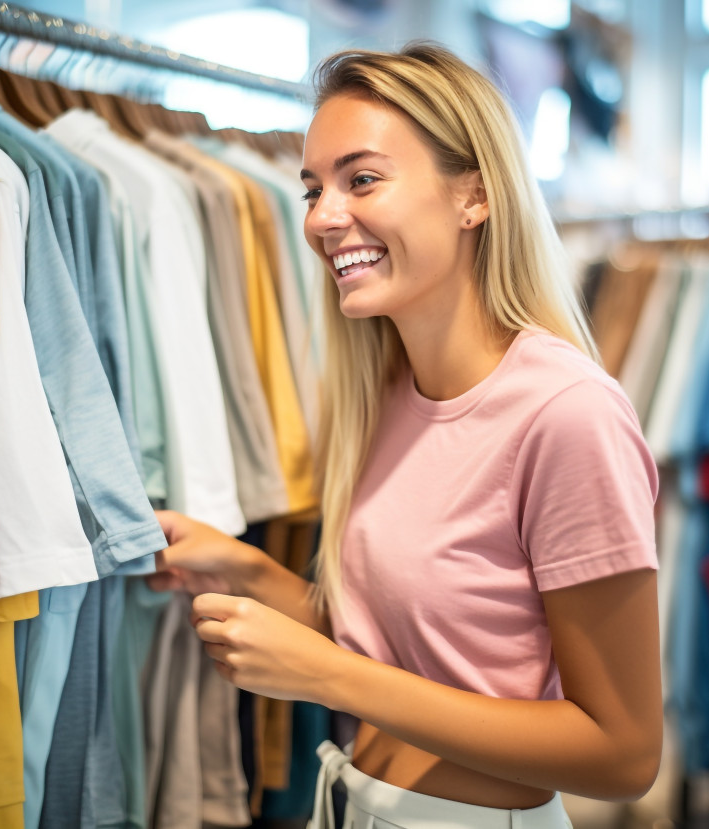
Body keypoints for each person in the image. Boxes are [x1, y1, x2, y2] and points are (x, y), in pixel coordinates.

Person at [150, 42, 662, 829]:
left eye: (361, 179)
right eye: (313, 188)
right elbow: (404, 645)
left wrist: (326, 678)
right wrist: (241, 567)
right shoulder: (387, 389)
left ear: (474, 196)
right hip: (361, 804)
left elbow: (622, 753)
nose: (322, 218)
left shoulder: (565, 412)